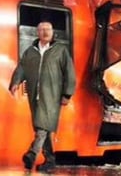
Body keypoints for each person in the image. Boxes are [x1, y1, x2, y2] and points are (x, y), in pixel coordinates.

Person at [9, 21, 76, 172]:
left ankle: (32, 153)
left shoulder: (61, 50)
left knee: (42, 125)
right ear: (37, 32)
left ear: (53, 32)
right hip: (35, 94)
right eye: (42, 29)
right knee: (44, 126)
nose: (46, 32)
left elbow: (69, 72)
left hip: (53, 95)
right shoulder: (30, 51)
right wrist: (15, 82)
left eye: (49, 29)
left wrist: (67, 93)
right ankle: (50, 161)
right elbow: (22, 67)